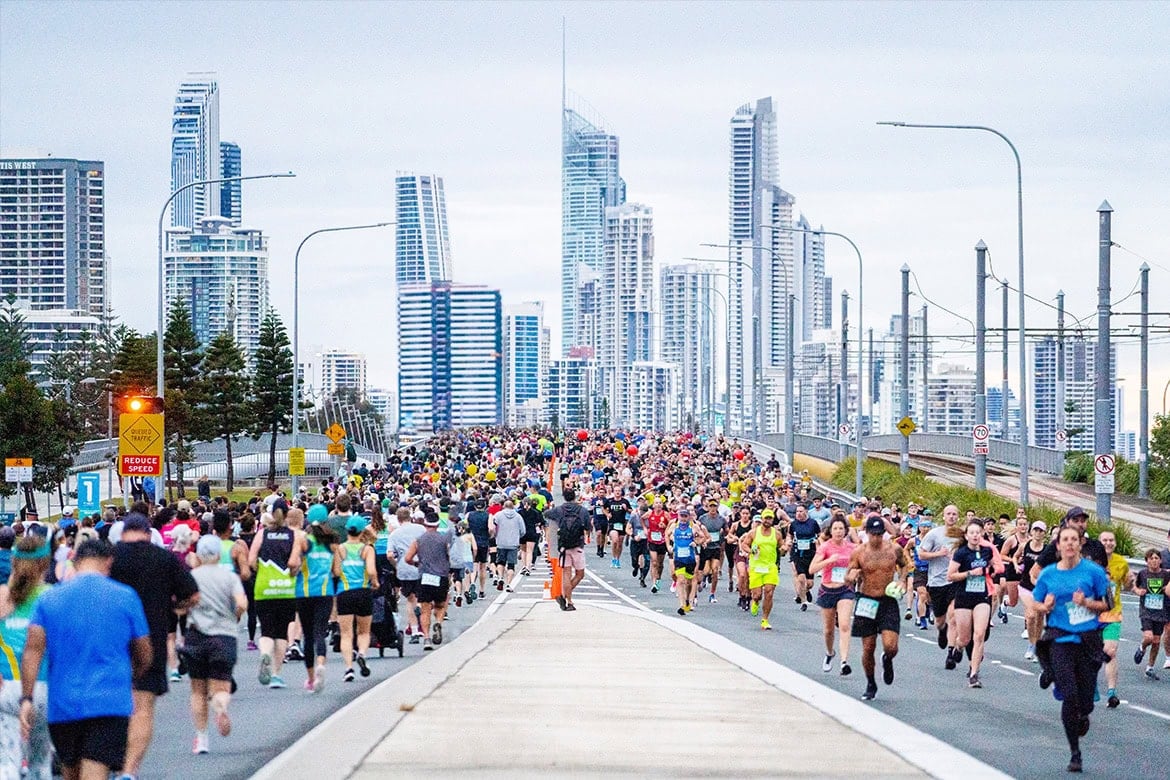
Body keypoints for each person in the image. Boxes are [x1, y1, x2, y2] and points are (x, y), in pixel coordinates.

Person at [21, 539, 152, 780]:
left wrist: (27, 697)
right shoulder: (125, 597)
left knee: (71, 771)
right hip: (109, 700)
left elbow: (33, 650)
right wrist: (133, 675)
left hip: (63, 704)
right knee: (96, 768)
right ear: (108, 562)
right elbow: (144, 650)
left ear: (75, 561)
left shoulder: (49, 599)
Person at [110, 512, 199, 779]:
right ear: (149, 533)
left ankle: (108, 759)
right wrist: (175, 608)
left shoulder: (110, 557)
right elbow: (192, 595)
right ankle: (129, 770)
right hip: (152, 638)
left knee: (111, 705)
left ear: (123, 532)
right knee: (143, 707)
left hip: (110, 640)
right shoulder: (164, 558)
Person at [1033, 526, 1112, 774]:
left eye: (1073, 540)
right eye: (1064, 540)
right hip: (1060, 638)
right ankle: (1075, 753)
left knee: (1085, 701)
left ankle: (1083, 712)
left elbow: (1107, 603)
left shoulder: (1094, 572)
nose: (1069, 544)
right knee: (1069, 694)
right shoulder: (1048, 575)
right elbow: (1035, 603)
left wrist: (1087, 603)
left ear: (1079, 545)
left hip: (1088, 639)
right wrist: (1044, 607)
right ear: (1058, 546)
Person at [185, 535, 246, 755]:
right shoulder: (229, 577)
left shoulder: (192, 576)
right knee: (221, 686)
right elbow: (241, 603)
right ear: (220, 554)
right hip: (224, 635)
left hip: (197, 635)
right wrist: (234, 616)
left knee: (198, 690)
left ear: (199, 555)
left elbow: (183, 604)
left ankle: (201, 738)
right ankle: (221, 707)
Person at [1, 535, 53, 780]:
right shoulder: (53, 596)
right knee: (40, 762)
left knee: (7, 761)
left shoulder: (3, 596)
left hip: (6, 686)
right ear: (46, 564)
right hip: (45, 687)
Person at [847, 514, 911, 701]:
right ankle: (870, 682)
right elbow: (848, 574)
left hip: (887, 601)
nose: (876, 537)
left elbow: (905, 566)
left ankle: (887, 659)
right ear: (867, 533)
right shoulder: (859, 552)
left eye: (880, 534)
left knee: (891, 646)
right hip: (867, 600)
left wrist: (901, 580)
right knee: (868, 647)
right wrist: (852, 576)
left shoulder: (894, 549)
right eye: (873, 534)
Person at [947, 520, 1001, 688]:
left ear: (982, 534)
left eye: (978, 532)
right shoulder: (961, 553)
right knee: (964, 638)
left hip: (982, 597)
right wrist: (970, 573)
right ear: (966, 536)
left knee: (979, 635)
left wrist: (993, 570)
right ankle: (958, 647)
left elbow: (995, 566)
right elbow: (951, 575)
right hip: (963, 597)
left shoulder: (987, 551)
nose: (975, 535)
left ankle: (974, 674)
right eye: (972, 532)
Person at [248, 510, 298, 689]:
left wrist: (259, 570)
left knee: (267, 630)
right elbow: (293, 563)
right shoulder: (294, 536)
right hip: (285, 589)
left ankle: (264, 653)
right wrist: (293, 573)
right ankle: (276, 674)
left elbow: (251, 559)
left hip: (264, 587)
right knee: (282, 632)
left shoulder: (262, 534)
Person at [809, 516, 855, 676]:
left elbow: (858, 566)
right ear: (830, 531)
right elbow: (812, 569)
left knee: (844, 624)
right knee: (828, 630)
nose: (838, 531)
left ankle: (844, 662)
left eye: (841, 529)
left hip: (845, 589)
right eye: (835, 528)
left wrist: (854, 573)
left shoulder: (852, 548)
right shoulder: (825, 548)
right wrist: (828, 561)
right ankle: (830, 653)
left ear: (845, 531)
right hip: (828, 589)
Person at [335, 516, 379, 681]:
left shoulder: (340, 549)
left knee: (346, 634)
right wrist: (374, 582)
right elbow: (371, 570)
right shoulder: (367, 549)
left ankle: (348, 668)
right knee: (364, 631)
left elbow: (336, 572)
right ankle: (362, 653)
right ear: (362, 532)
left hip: (344, 592)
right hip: (363, 592)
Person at [918, 504, 960, 667]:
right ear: (943, 516)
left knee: (953, 615)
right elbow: (921, 555)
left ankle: (950, 653)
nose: (951, 517)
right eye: (948, 514)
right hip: (937, 582)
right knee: (940, 620)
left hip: (954, 581)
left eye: (954, 514)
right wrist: (939, 554)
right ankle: (942, 630)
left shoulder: (961, 535)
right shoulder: (934, 534)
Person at [404, 512, 452, 649]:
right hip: (441, 576)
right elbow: (449, 558)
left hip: (424, 576)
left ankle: (426, 638)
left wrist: (416, 564)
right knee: (441, 605)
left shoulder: (418, 540)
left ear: (425, 524)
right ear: (437, 525)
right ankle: (438, 622)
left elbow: (407, 558)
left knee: (425, 609)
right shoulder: (444, 540)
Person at [1096, 530, 1131, 708]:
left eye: (1111, 540)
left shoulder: (1121, 562)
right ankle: (1090, 684)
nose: (1108, 543)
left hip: (1113, 614)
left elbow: (1127, 585)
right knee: (1091, 653)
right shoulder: (1090, 561)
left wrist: (1131, 582)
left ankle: (1111, 692)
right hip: (1092, 615)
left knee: (1110, 651)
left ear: (1115, 543)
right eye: (1105, 540)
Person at [738, 508, 784, 630]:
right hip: (756, 566)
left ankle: (765, 619)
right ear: (762, 519)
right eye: (766, 518)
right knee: (757, 594)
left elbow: (782, 548)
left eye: (770, 518)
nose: (768, 521)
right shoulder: (754, 532)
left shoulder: (777, 534)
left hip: (770, 567)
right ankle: (755, 601)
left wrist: (784, 549)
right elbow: (744, 545)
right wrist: (750, 551)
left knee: (769, 592)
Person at [546, 488, 590, 610]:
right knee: (580, 574)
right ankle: (565, 596)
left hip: (564, 546)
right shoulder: (582, 511)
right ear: (575, 497)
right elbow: (587, 526)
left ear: (564, 497)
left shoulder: (559, 510)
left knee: (566, 572)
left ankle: (567, 599)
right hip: (577, 545)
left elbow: (546, 514)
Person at [1015, 520, 1049, 661]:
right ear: (1031, 531)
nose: (1037, 533)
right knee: (1030, 616)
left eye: (1040, 531)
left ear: (1044, 533)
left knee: (1040, 617)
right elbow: (1015, 557)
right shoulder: (1025, 545)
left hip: (1041, 587)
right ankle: (1031, 643)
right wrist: (1016, 565)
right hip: (1025, 586)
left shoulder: (1047, 550)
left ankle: (1037, 645)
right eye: (1035, 530)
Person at [665, 506, 708, 616]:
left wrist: (696, 543)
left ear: (688, 517)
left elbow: (704, 537)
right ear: (678, 516)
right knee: (680, 580)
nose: (683, 519)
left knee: (689, 582)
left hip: (690, 559)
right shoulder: (674, 526)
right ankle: (682, 605)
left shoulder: (693, 527)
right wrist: (669, 546)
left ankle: (689, 600)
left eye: (685, 516)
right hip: (678, 558)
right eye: (681, 516)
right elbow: (667, 534)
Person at [1132, 548, 1166, 678]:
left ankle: (1150, 667)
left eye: (1156, 558)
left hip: (1161, 611)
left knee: (1156, 642)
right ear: (1146, 561)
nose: (1154, 561)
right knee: (1149, 638)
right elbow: (1134, 586)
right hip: (1146, 610)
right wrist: (1138, 591)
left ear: (1160, 560)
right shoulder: (1143, 574)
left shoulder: (1165, 575)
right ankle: (1142, 647)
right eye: (1151, 558)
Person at [788, 504, 820, 611]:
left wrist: (817, 543)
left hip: (810, 554)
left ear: (806, 511)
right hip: (798, 554)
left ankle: (805, 591)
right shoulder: (793, 524)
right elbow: (790, 536)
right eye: (797, 512)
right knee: (801, 579)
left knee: (810, 584)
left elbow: (819, 535)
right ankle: (803, 601)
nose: (799, 514)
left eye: (801, 511)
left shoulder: (813, 523)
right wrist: (789, 543)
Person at [492, 499, 524, 592]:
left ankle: (501, 577)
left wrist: (495, 536)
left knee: (500, 562)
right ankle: (509, 584)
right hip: (513, 543)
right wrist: (517, 536)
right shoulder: (518, 517)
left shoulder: (498, 515)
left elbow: (493, 527)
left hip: (501, 542)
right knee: (511, 565)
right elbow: (523, 530)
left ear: (504, 506)